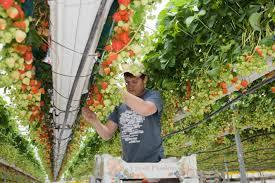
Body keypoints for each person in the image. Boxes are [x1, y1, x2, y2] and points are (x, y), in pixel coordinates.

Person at [81, 65, 164, 163]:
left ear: (144, 80)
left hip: (153, 164)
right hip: (129, 164)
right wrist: (94, 120)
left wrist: (115, 88)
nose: (130, 86)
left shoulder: (153, 96)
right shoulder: (120, 104)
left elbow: (145, 109)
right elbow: (107, 134)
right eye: (127, 82)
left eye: (134, 82)